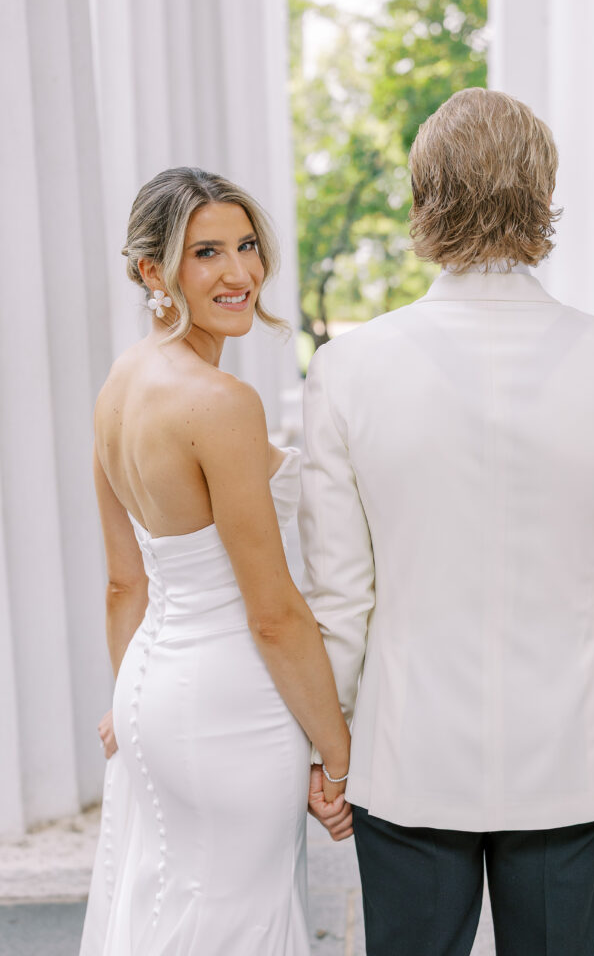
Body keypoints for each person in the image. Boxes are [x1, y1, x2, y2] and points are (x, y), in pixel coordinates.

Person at [298, 88, 594, 956]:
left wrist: (326, 751)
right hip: (563, 767)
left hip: (406, 762)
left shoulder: (348, 371)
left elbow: (339, 603)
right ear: (543, 196)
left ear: (422, 198)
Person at [80, 167, 352, 956]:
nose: (239, 273)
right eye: (206, 253)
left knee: (170, 911)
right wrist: (335, 755)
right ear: (152, 271)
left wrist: (129, 699)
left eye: (245, 246)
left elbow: (124, 582)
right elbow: (272, 614)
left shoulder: (118, 387)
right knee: (237, 924)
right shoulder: (220, 404)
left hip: (153, 695)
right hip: (233, 706)